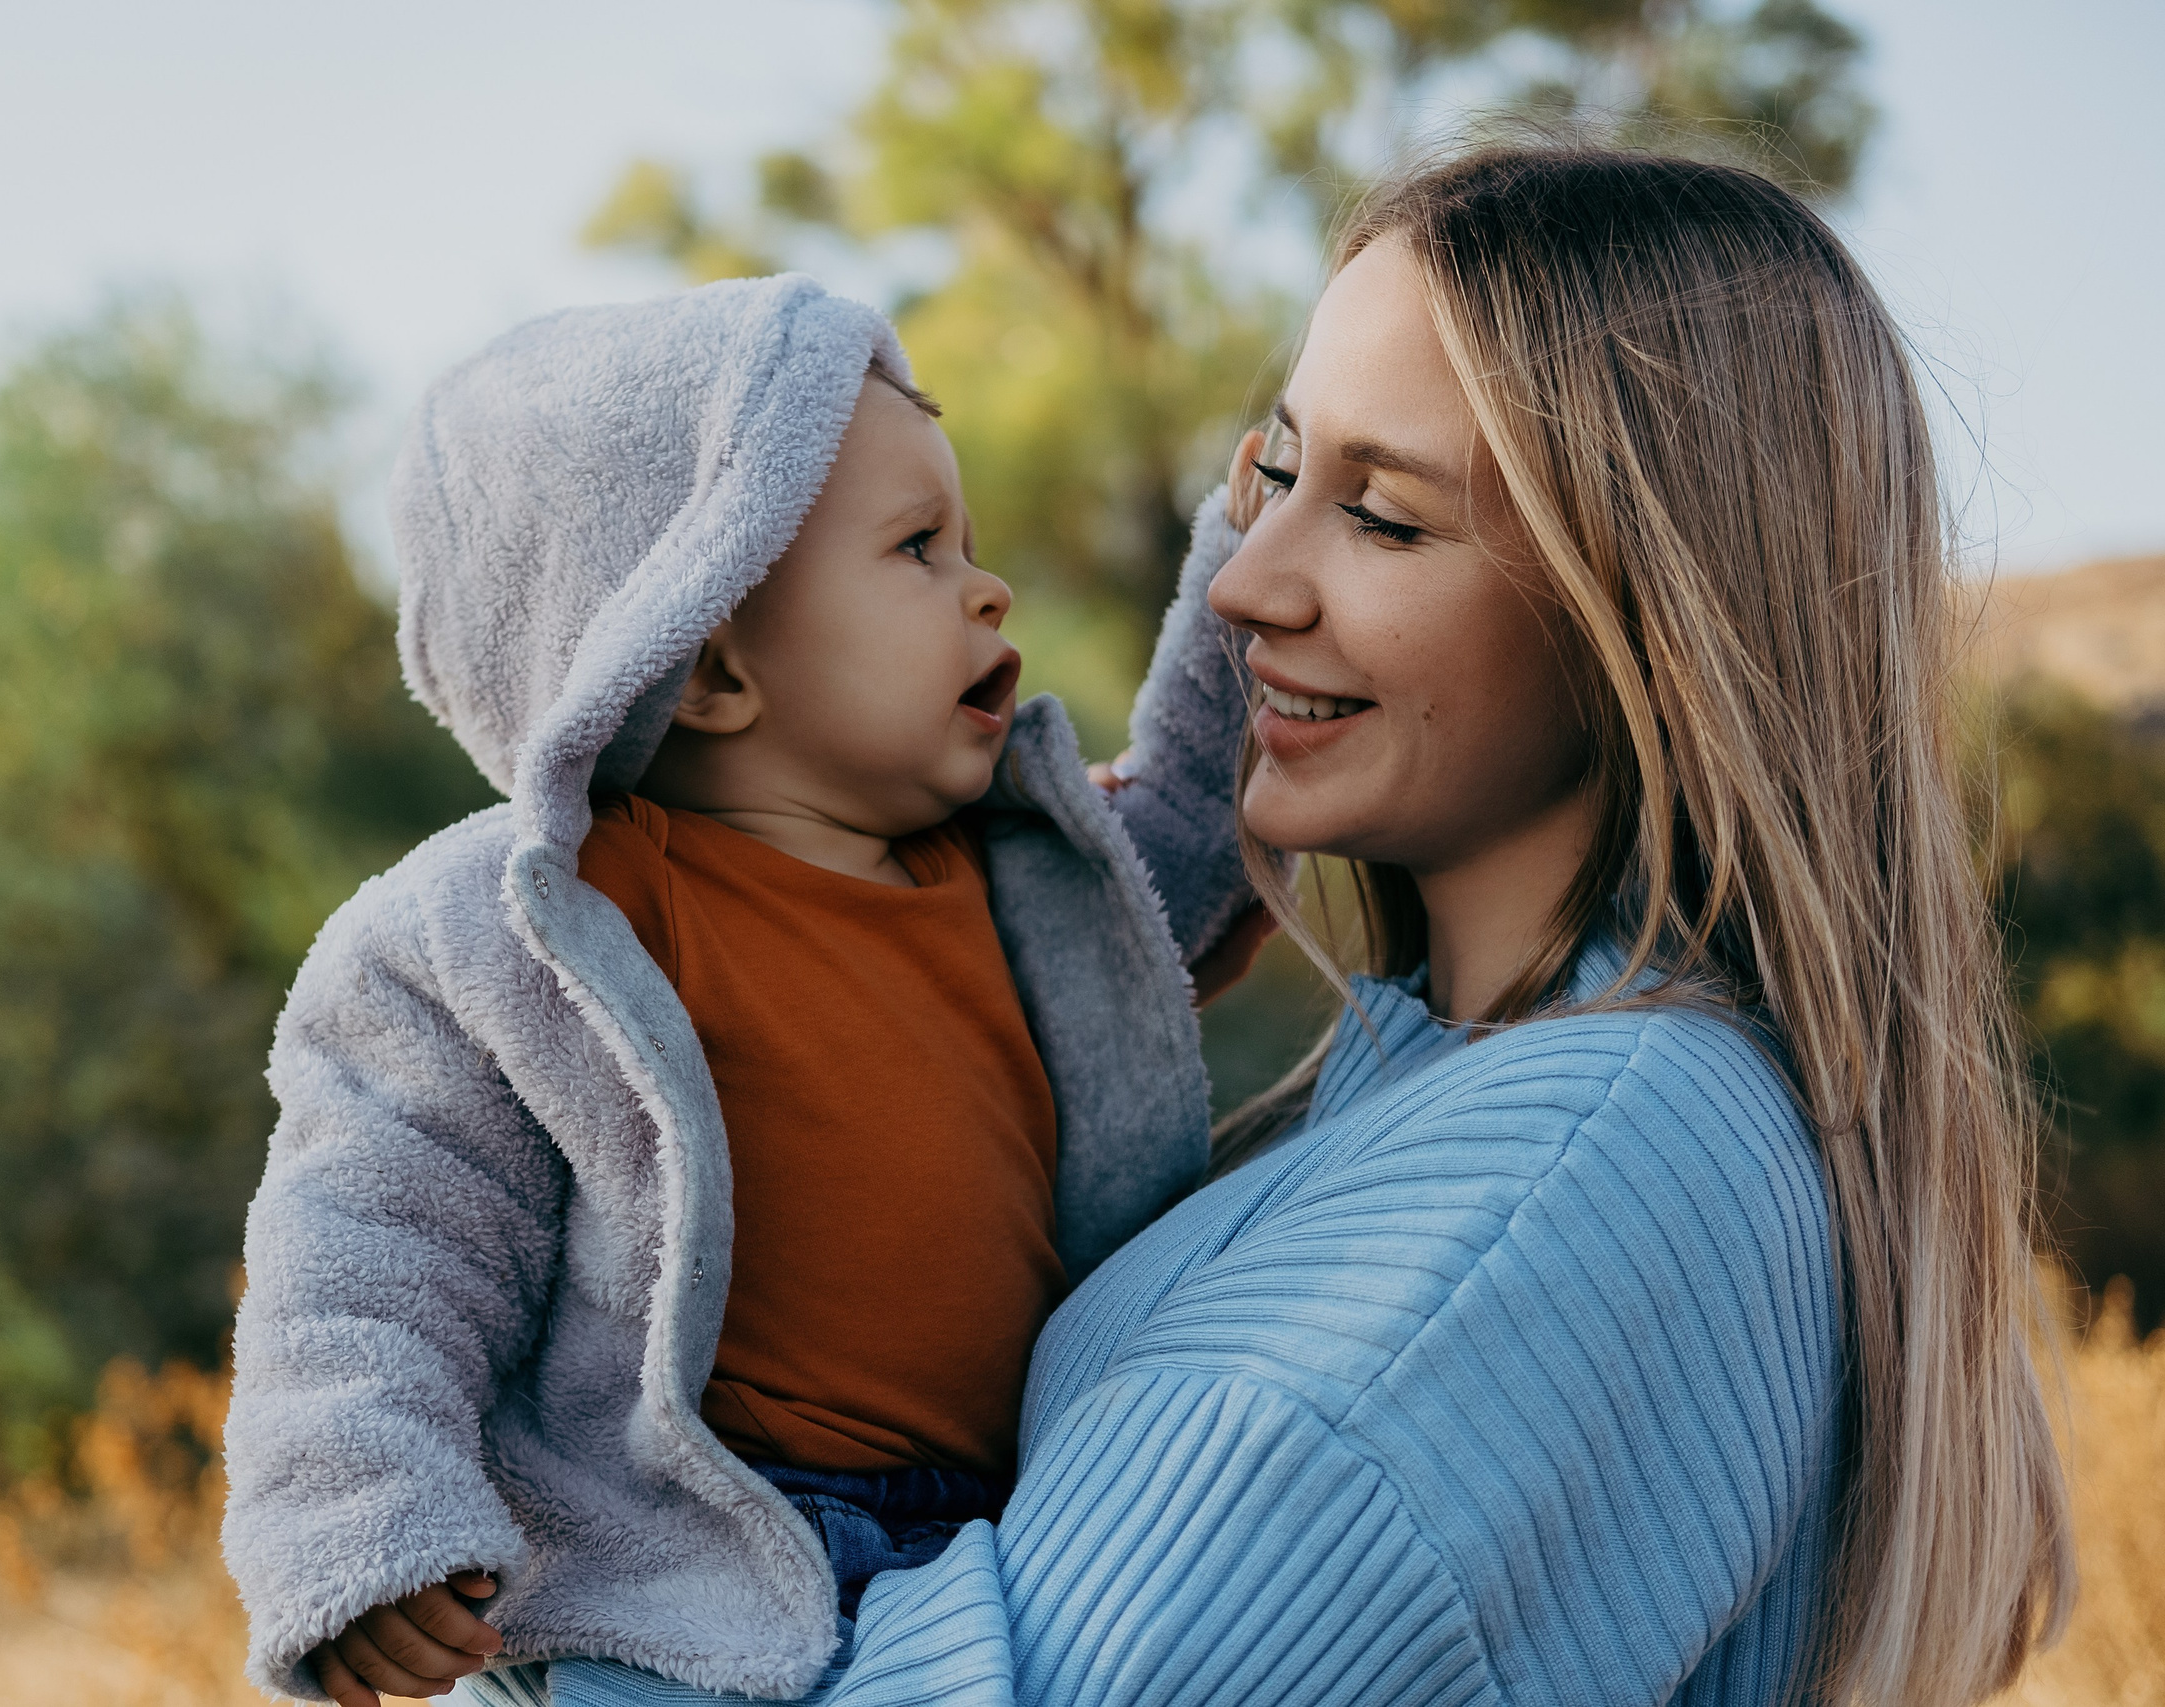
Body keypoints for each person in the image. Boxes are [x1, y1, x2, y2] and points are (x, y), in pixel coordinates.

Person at [551, 144, 2074, 1707]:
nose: (1245, 585)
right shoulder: (1432, 1100)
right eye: (1275, 478)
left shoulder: (1555, 1186)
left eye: (1386, 520)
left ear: (1652, 615)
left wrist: (539, 1600)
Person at [217, 274, 1265, 1705]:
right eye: (916, 548)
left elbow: (1195, 831)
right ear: (707, 660)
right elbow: (374, 1246)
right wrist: (358, 1523)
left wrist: (1247, 557)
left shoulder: (1024, 871)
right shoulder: (533, 929)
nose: (987, 586)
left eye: (967, 542)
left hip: (996, 1536)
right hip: (668, 1574)